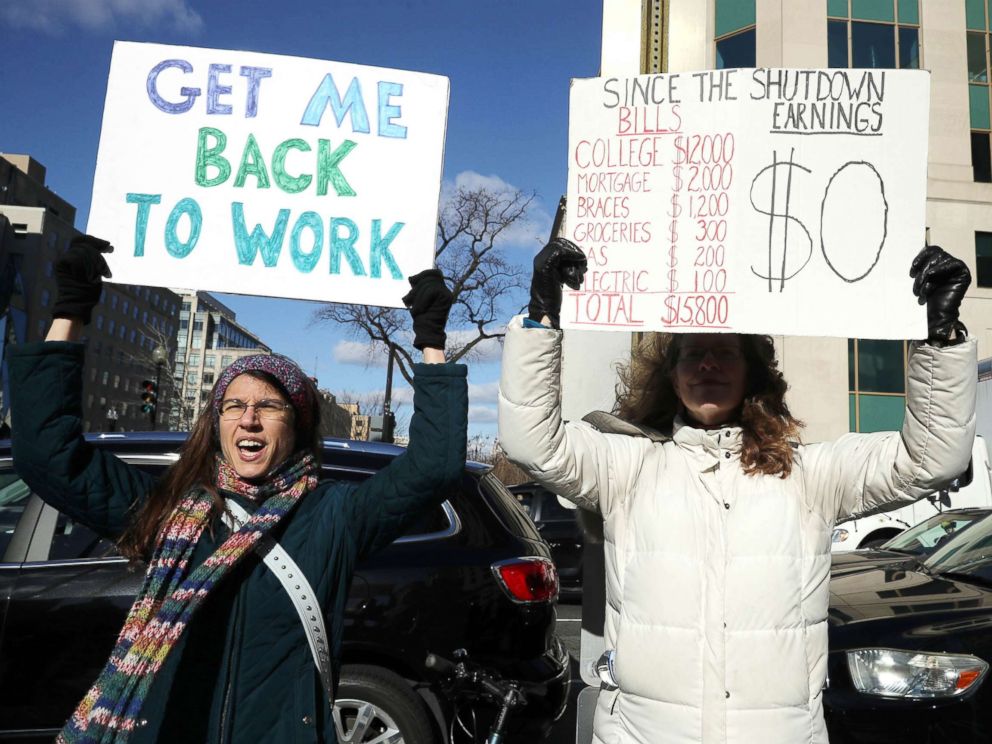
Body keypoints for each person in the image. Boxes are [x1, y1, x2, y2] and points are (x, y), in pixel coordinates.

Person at [498, 238, 976, 744]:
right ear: (673, 376)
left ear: (752, 374)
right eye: (693, 354)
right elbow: (534, 443)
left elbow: (932, 458)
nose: (708, 364)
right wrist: (541, 320)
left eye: (724, 353)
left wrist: (941, 340)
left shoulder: (809, 473)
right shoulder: (628, 467)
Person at [9, 234, 467, 743]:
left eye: (268, 407)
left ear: (296, 426)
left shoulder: (334, 516)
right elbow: (48, 455)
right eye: (234, 406)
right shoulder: (165, 508)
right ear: (218, 422)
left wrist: (431, 341)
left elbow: (433, 467)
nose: (249, 420)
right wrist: (69, 310)